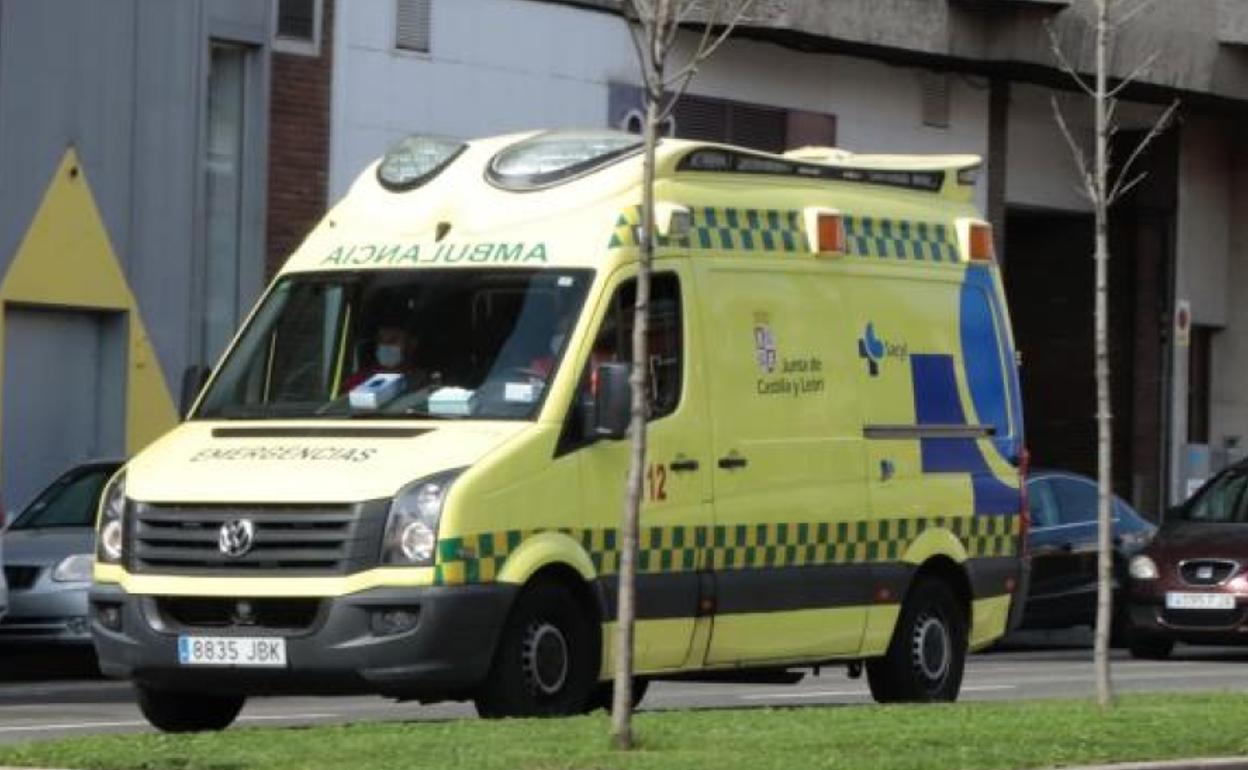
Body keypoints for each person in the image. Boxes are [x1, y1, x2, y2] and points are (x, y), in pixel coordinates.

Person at [341, 324, 426, 393]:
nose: (386, 346)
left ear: (412, 343)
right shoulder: (359, 380)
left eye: (393, 340)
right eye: (381, 341)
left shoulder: (422, 381)